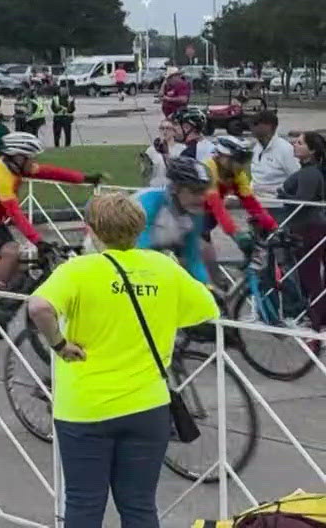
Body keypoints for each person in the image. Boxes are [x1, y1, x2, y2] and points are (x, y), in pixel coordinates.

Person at [27, 191, 220, 528]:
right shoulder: (162, 266)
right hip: (147, 406)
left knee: (85, 504)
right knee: (139, 506)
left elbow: (39, 307)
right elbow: (207, 309)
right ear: (138, 228)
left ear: (92, 230)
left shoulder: (79, 270)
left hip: (86, 407)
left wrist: (59, 345)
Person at [0, 132, 96, 309]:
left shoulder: (17, 166)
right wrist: (37, 241)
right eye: (29, 158)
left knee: (20, 271)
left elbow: (50, 172)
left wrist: (83, 178)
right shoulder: (0, 175)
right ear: (17, 157)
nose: (32, 163)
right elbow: (15, 213)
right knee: (12, 252)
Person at [137, 155, 214, 283]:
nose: (202, 198)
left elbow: (192, 258)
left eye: (204, 192)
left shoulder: (194, 214)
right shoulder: (149, 204)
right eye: (195, 191)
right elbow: (140, 251)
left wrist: (207, 288)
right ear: (176, 189)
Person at [279, 132, 326, 333]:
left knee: (310, 277)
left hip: (309, 228)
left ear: (312, 150)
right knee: (309, 276)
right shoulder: (309, 172)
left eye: (299, 143)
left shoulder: (310, 173)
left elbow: (303, 201)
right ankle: (316, 318)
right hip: (308, 227)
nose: (294, 145)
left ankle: (318, 322)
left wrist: (282, 194)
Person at [248, 110, 300, 214]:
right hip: (256, 202)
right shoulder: (256, 147)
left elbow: (297, 177)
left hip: (276, 204)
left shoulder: (285, 149)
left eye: (256, 124)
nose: (251, 127)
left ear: (269, 126)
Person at [51, 81, 78, 148]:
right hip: (58, 118)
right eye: (62, 89)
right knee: (57, 133)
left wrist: (69, 107)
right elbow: (53, 108)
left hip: (67, 118)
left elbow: (72, 109)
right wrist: (60, 108)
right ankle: (57, 146)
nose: (63, 90)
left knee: (68, 133)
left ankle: (67, 145)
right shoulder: (55, 98)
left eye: (65, 89)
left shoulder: (70, 98)